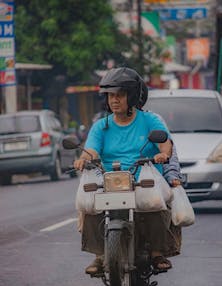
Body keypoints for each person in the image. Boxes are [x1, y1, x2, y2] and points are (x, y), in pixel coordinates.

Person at [73, 67, 182, 275]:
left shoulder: (150, 121)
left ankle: (157, 252)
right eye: (111, 96)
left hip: (144, 179)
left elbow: (165, 144)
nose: (114, 100)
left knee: (153, 203)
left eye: (120, 95)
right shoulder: (101, 126)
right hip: (110, 180)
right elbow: (91, 151)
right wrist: (83, 159)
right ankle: (100, 255)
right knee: (90, 205)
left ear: (131, 97)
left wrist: (162, 155)